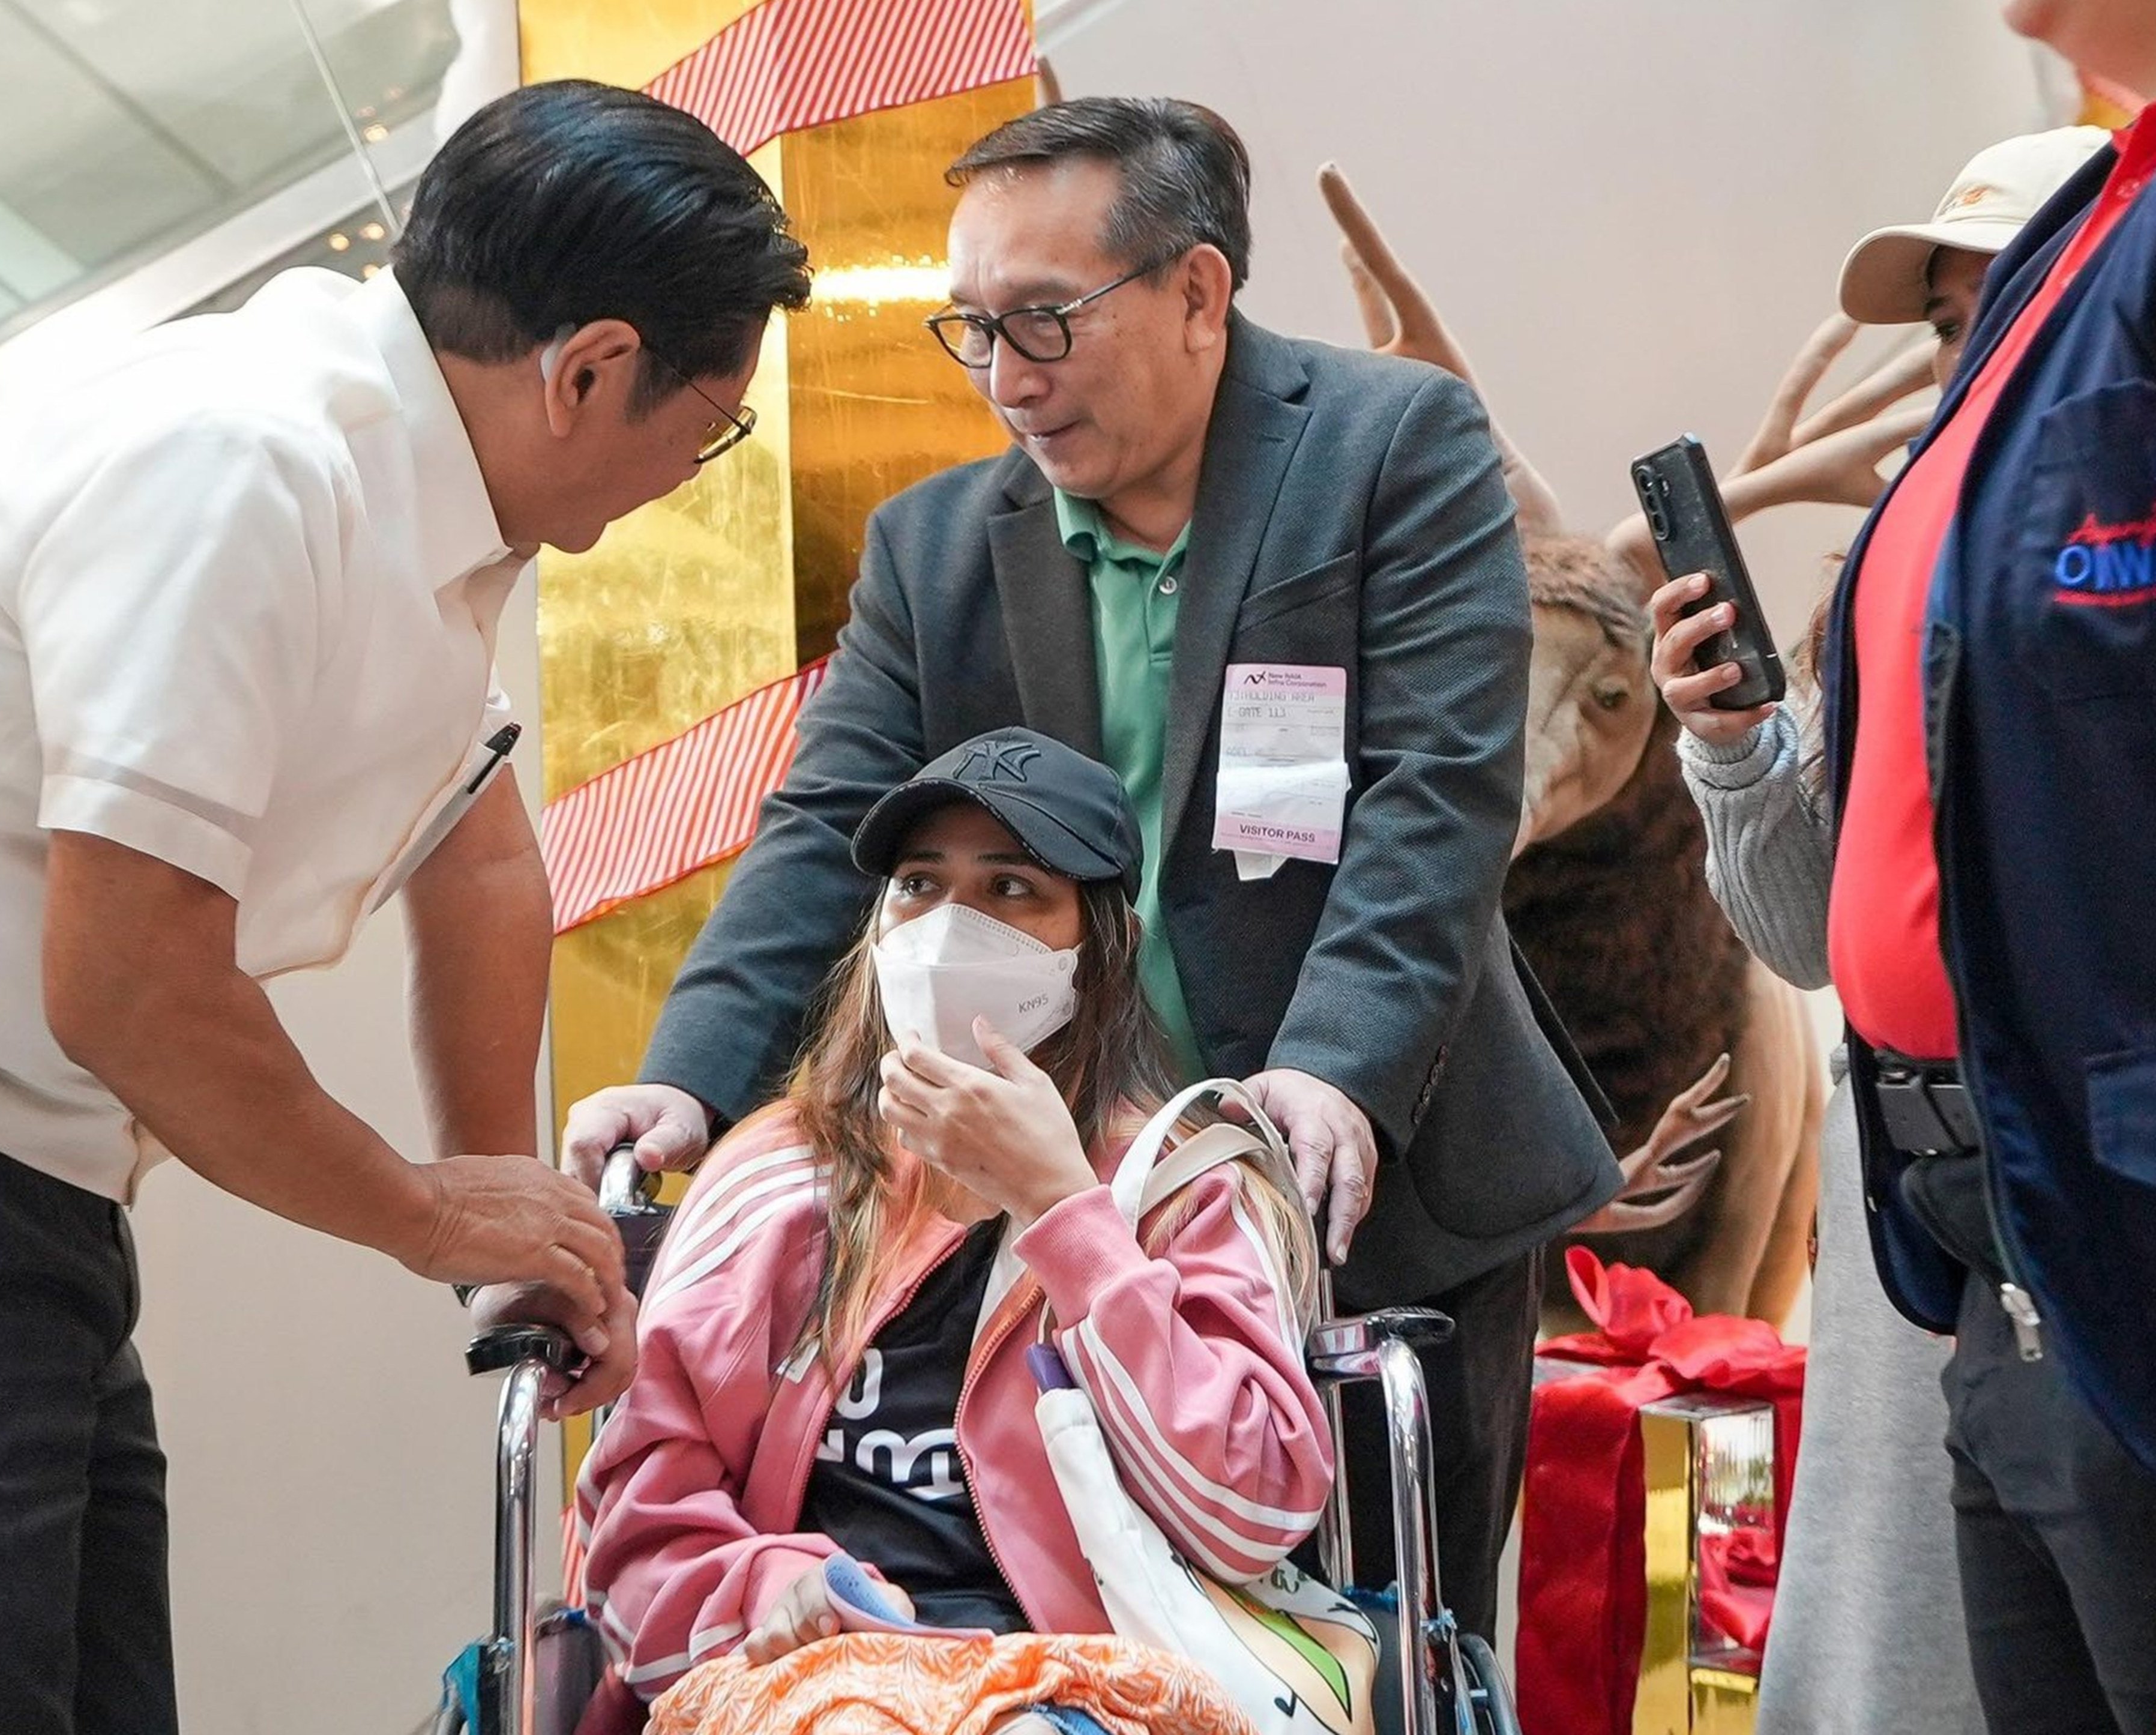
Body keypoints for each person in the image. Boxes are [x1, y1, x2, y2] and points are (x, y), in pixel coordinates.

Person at [0, 80, 808, 1735]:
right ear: (587, 371)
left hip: (17, 1157)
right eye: (705, 424)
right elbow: (131, 984)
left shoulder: (415, 473)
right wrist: (422, 1213)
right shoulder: (240, 462)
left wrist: (502, 1217)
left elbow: (479, 845)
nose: (692, 470)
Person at [563, 96, 1618, 1638]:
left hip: (1374, 1191)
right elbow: (820, 823)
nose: (1005, 378)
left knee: (1383, 1644)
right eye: (971, 329)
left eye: (1043, 320)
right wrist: (692, 1074)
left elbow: (1436, 794)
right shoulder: (937, 545)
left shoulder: (1388, 445)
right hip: (1057, 1214)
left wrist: (1332, 1068)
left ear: (1197, 294)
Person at [1652, 1, 2156, 1712]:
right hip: (1937, 1255)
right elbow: (1804, 932)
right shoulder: (1906, 573)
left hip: (2089, 1211)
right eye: (1952, 324)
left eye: (1997, 298)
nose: (1970, 351)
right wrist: (1732, 746)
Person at [576, 728, 1332, 1727]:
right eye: (920, 886)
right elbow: (633, 1540)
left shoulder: (1181, 1185)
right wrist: (775, 1588)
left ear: (1102, 946)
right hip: (813, 1683)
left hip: (1093, 1681)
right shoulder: (774, 1179)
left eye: (1012, 889)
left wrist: (1066, 1211)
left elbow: (1254, 1513)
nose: (949, 928)